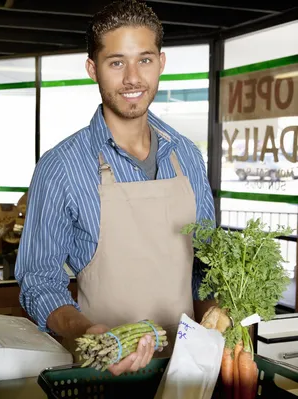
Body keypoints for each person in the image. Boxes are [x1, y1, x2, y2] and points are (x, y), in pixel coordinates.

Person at [15, 0, 216, 376]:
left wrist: (217, 310)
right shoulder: (61, 167)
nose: (133, 78)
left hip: (190, 372)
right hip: (104, 373)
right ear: (93, 69)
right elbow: (39, 280)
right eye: (116, 62)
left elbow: (204, 268)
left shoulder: (187, 156)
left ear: (161, 63)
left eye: (144, 59)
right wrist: (85, 332)